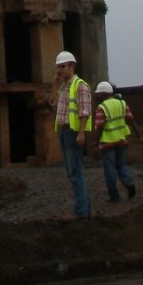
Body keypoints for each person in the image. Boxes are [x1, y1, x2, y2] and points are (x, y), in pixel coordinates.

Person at [49, 50, 92, 218]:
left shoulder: (80, 85)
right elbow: (54, 105)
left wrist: (81, 133)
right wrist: (54, 86)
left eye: (63, 66)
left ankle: (81, 213)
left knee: (75, 172)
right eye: (58, 67)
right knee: (73, 171)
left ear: (72, 66)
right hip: (63, 131)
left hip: (72, 132)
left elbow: (85, 111)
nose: (60, 70)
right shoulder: (64, 87)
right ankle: (85, 211)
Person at [92, 81, 143, 202]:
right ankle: (129, 183)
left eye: (98, 94)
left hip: (107, 143)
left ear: (103, 94)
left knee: (109, 169)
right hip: (121, 140)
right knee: (121, 165)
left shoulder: (102, 107)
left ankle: (114, 196)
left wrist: (96, 143)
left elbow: (99, 127)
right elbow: (131, 120)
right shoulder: (122, 103)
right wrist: (140, 136)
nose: (97, 96)